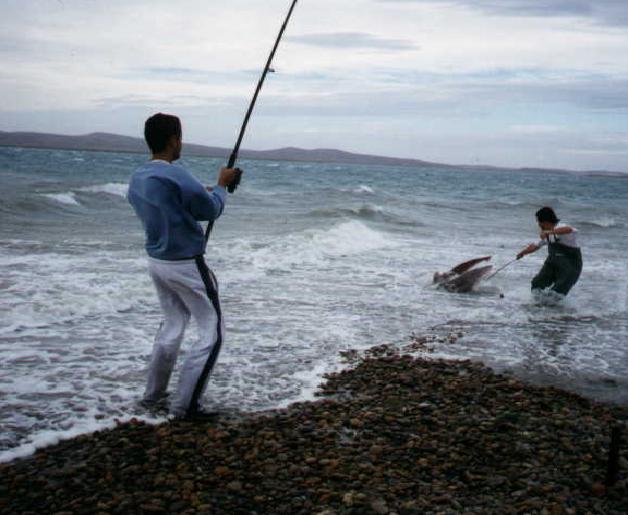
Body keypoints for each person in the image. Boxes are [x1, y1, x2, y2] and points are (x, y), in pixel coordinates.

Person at [127, 113, 239, 419]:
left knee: (173, 326)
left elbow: (166, 204)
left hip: (157, 262)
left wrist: (198, 193)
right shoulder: (177, 173)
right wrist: (221, 186)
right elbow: (211, 210)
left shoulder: (138, 177)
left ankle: (152, 397)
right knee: (212, 332)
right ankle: (185, 406)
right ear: (174, 139)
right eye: (180, 137)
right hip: (187, 264)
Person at [516, 207, 582, 297]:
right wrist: (522, 253)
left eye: (539, 222)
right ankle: (537, 306)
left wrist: (549, 232)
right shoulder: (547, 233)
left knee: (557, 293)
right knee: (537, 284)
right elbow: (536, 245)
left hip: (571, 266)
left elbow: (569, 229)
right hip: (553, 263)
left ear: (546, 221)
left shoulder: (560, 227)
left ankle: (554, 309)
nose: (539, 225)